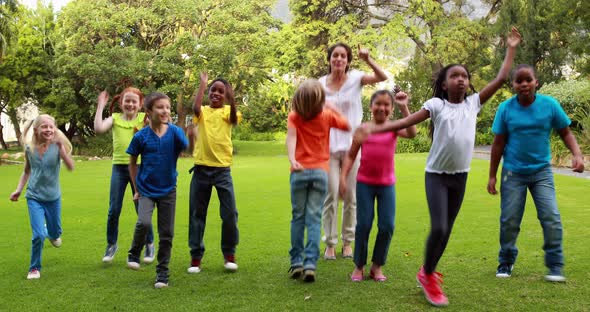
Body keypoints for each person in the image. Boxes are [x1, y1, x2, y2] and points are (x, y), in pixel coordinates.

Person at [354, 27, 521, 307]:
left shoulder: (473, 104)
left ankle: (426, 272)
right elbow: (407, 123)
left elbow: (502, 77)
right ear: (444, 84)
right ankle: (428, 275)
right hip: (436, 177)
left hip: (460, 177)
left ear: (468, 84)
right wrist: (373, 130)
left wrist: (511, 48)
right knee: (440, 226)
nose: (461, 79)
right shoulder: (436, 105)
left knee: (447, 230)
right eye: (454, 76)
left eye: (464, 76)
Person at [487, 64, 585, 282]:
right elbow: (497, 145)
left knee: (551, 217)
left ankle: (555, 266)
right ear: (513, 85)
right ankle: (506, 261)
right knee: (509, 220)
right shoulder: (506, 108)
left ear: (536, 82)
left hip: (542, 172)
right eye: (519, 81)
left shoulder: (549, 105)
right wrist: (492, 175)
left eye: (528, 80)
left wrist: (577, 154)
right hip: (513, 173)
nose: (524, 84)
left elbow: (566, 132)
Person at [340, 89, 417, 282]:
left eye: (386, 105)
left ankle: (377, 266)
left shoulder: (394, 127)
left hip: (387, 185)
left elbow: (412, 132)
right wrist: (343, 177)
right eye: (378, 104)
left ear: (391, 108)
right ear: (371, 106)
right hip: (365, 183)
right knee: (364, 224)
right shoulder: (363, 129)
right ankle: (359, 266)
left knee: (387, 226)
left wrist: (404, 107)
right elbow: (350, 155)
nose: (382, 108)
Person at [320, 43, 388, 259]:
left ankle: (347, 241)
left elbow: (382, 77)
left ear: (348, 61)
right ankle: (330, 243)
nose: (338, 59)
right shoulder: (321, 84)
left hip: (353, 147)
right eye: (335, 56)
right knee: (330, 194)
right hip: (328, 148)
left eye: (343, 56)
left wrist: (367, 59)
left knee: (351, 195)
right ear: (330, 59)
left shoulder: (356, 79)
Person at [287, 79, 350, 282]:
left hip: (299, 172)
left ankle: (296, 262)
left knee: (298, 217)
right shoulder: (327, 115)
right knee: (314, 219)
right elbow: (347, 125)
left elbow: (291, 139)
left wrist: (293, 160)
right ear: (320, 100)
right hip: (320, 173)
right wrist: (330, 106)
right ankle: (310, 264)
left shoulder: (294, 116)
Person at [125, 92, 188, 288]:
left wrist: (191, 137)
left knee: (166, 233)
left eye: (168, 107)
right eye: (160, 107)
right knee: (143, 222)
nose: (165, 111)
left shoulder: (175, 132)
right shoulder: (140, 136)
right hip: (146, 189)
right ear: (149, 111)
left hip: (168, 189)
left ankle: (162, 273)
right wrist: (136, 188)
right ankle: (134, 252)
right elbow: (132, 163)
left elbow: (187, 148)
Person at [9, 114, 75, 280]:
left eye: (51, 127)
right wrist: (18, 190)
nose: (48, 129)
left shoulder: (57, 147)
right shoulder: (29, 149)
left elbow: (70, 167)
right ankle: (34, 268)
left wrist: (63, 152)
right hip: (34, 197)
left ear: (54, 129)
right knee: (38, 235)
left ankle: (51, 232)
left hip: (53, 198)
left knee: (55, 233)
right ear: (36, 130)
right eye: (44, 127)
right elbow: (26, 171)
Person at [187, 72, 241, 274]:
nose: (216, 93)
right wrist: (202, 85)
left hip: (222, 172)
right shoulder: (201, 111)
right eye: (213, 90)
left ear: (227, 95)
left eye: (221, 91)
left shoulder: (228, 112)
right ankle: (195, 257)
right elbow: (195, 107)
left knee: (229, 214)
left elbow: (235, 118)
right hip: (201, 170)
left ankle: (229, 254)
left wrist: (231, 96)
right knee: (197, 215)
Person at [94, 88, 155, 264]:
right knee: (114, 209)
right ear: (121, 103)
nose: (130, 104)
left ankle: (149, 243)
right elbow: (98, 129)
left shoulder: (145, 119)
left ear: (140, 104)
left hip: (139, 168)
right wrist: (100, 106)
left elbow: (158, 131)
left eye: (134, 101)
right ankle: (111, 244)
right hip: (119, 168)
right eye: (127, 100)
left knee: (141, 208)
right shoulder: (114, 119)